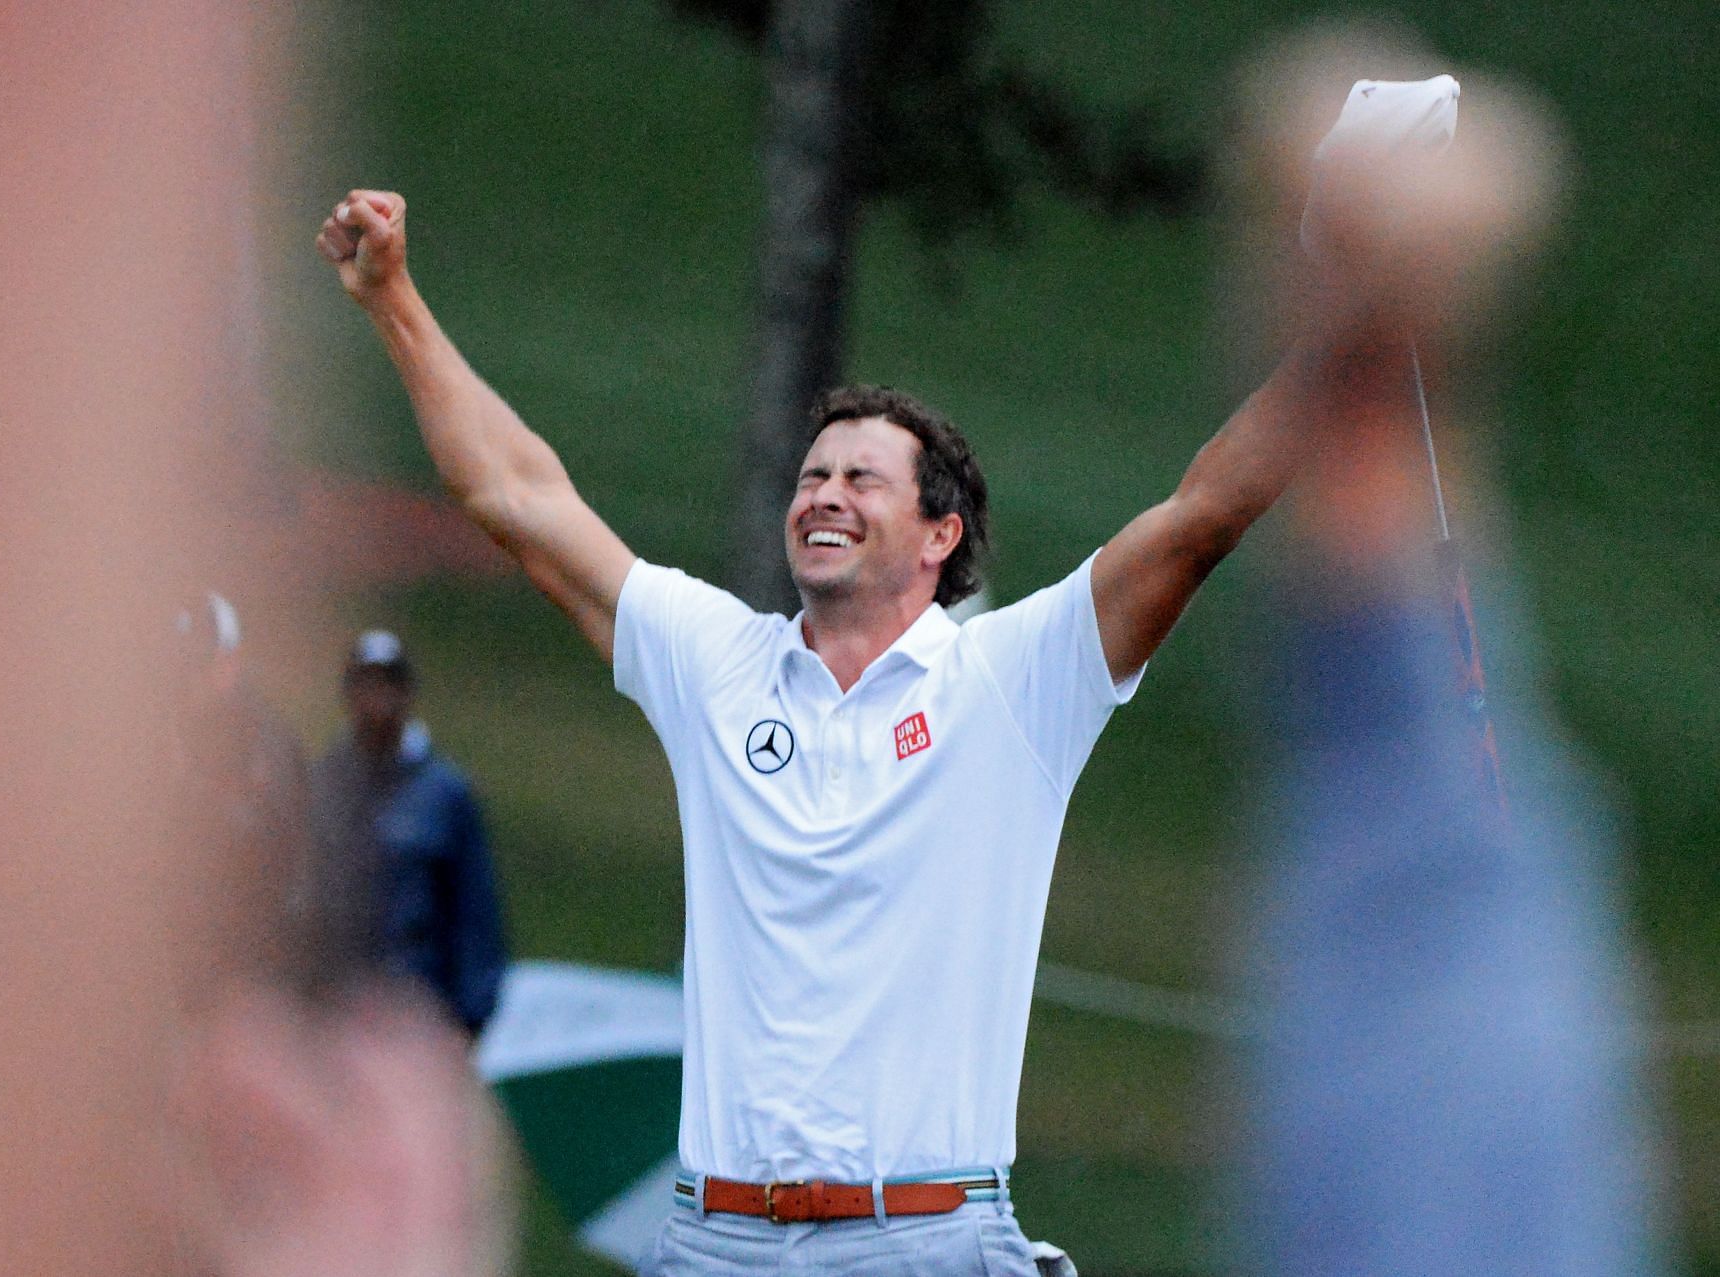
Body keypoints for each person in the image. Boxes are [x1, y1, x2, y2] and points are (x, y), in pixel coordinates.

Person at [314, 188, 1337, 1275]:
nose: (823, 494)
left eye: (861, 477)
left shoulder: (1014, 678)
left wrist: (1349, 332)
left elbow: (1203, 515)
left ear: (942, 533)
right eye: (811, 475)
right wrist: (393, 302)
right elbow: (514, 492)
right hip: (714, 1239)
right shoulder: (715, 660)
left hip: (928, 1236)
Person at [303, 629, 507, 1037]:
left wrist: (471, 1016)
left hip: (417, 1008)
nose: (376, 701)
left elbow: (473, 909)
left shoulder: (444, 793)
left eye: (387, 686)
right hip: (336, 1007)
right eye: (365, 686)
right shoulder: (324, 783)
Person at [172, 590, 313, 993]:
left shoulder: (263, 741)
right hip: (190, 962)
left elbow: (273, 851)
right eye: (183, 667)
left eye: (201, 665)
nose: (190, 681)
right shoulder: (175, 733)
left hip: (249, 964)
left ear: (230, 663)